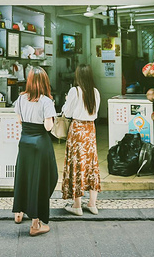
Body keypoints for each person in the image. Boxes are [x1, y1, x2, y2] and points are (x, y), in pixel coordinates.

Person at [12, 66, 58, 236]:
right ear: (45, 82)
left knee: (23, 177)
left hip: (25, 142)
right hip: (40, 144)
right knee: (40, 181)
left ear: (29, 81)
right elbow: (48, 127)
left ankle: (19, 213)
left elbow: (19, 120)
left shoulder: (21, 98)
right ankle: (35, 225)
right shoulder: (46, 101)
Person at [61, 64, 101, 215]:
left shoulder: (74, 91)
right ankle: (92, 204)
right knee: (91, 164)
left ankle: (77, 206)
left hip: (77, 129)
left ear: (77, 76)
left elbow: (67, 112)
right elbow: (95, 112)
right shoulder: (95, 92)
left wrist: (67, 100)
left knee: (77, 164)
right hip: (90, 129)